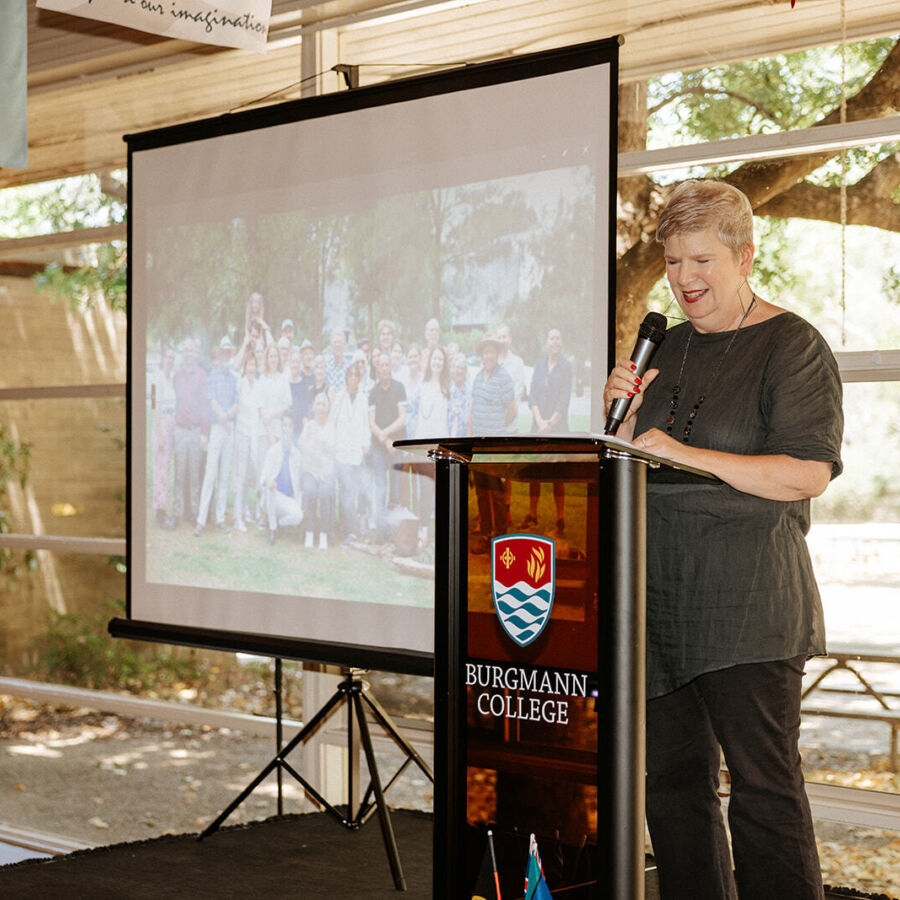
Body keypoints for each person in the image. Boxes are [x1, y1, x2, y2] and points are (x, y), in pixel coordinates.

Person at [602, 179, 843, 900]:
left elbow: (806, 475)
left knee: (765, 795)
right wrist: (614, 418)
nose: (684, 280)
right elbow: (628, 458)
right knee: (672, 789)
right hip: (659, 605)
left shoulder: (792, 345)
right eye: (674, 263)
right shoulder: (663, 350)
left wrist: (685, 453)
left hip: (749, 610)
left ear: (744, 254)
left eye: (702, 261)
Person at [521, 328, 573, 534]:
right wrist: (540, 422)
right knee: (535, 474)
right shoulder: (539, 365)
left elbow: (564, 399)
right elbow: (532, 396)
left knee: (557, 476)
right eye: (551, 338)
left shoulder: (566, 367)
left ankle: (560, 519)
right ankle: (532, 515)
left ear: (561, 343)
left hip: (558, 429)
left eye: (558, 338)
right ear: (547, 342)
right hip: (538, 428)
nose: (554, 342)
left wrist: (550, 424)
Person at [468, 333, 517, 553]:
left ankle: (500, 538)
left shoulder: (504, 377)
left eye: (492, 351)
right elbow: (473, 408)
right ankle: (486, 535)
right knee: (481, 491)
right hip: (477, 446)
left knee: (496, 492)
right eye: (485, 351)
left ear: (497, 354)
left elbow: (512, 411)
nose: (488, 355)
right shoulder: (478, 377)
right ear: (481, 355)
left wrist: (495, 432)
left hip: (494, 446)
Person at [194, 337, 238, 536]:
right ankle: (201, 520)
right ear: (219, 355)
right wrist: (223, 418)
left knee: (224, 475)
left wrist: (228, 417)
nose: (226, 356)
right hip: (218, 428)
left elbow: (237, 403)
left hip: (229, 428)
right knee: (210, 473)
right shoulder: (213, 375)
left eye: (229, 353)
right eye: (224, 352)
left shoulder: (234, 378)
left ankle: (220, 518)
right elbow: (211, 400)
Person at [168, 338, 208, 529]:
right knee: (179, 473)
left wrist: (204, 433)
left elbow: (206, 406)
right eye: (185, 351)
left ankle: (193, 512)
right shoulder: (177, 376)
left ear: (196, 353)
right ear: (182, 354)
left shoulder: (201, 376)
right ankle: (176, 513)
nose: (188, 354)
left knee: (194, 474)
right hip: (180, 431)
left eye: (191, 350)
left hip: (195, 431)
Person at [368, 353, 407, 536]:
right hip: (379, 446)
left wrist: (389, 437)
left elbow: (402, 419)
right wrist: (384, 438)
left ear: (390, 367)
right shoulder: (373, 392)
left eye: (387, 364)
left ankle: (395, 532)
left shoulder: (399, 388)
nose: (384, 368)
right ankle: (381, 531)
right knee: (380, 488)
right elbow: (371, 422)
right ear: (377, 369)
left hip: (396, 446)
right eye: (381, 365)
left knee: (395, 489)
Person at [332, 364, 371, 544]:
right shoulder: (339, 397)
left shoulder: (363, 398)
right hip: (341, 451)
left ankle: (354, 528)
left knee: (355, 490)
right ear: (346, 378)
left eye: (356, 376)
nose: (353, 378)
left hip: (357, 452)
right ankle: (345, 528)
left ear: (359, 379)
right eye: (351, 375)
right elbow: (333, 422)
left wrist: (365, 445)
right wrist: (333, 445)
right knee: (344, 491)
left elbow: (366, 424)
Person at [298, 393, 336, 549]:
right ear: (314, 408)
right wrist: (314, 450)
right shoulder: (309, 425)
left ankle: (323, 534)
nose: (321, 407)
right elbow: (301, 444)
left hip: (326, 471)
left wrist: (320, 445)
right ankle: (309, 532)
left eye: (324, 404)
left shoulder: (331, 426)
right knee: (310, 491)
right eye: (318, 404)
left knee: (325, 493)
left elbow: (332, 448)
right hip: (310, 470)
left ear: (328, 409)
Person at [258, 413, 304, 545]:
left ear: (293, 427)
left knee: (298, 516)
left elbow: (299, 486)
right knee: (272, 488)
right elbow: (263, 477)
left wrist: (299, 506)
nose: (287, 429)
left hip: (287, 499)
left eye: (289, 425)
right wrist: (268, 481)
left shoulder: (297, 455)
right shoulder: (273, 451)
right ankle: (272, 529)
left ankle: (279, 525)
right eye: (284, 425)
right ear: (281, 428)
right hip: (271, 496)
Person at [232, 349, 263, 533]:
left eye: (253, 364)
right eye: (248, 364)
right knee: (241, 476)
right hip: (241, 434)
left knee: (252, 476)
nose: (251, 367)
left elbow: (260, 411)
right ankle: (238, 517)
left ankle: (245, 510)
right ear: (245, 367)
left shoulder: (257, 385)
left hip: (254, 436)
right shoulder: (240, 383)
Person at [151, 343, 176, 526]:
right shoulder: (156, 379)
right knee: (160, 469)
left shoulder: (172, 379)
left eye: (173, 357)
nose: (171, 360)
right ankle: (159, 511)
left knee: (167, 469)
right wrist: (160, 434)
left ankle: (164, 507)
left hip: (173, 423)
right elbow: (155, 406)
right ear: (162, 358)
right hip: (162, 425)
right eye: (168, 357)